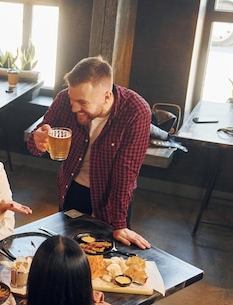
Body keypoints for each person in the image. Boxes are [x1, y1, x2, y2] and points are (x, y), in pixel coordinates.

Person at [27, 56, 151, 249]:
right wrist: (37, 138)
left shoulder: (136, 111)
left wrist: (119, 223)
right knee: (68, 252)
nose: (74, 107)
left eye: (82, 102)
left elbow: (125, 172)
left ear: (107, 97)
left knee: (105, 257)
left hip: (111, 197)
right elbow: (40, 135)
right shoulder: (63, 100)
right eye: (72, 98)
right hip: (73, 189)